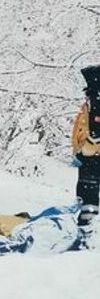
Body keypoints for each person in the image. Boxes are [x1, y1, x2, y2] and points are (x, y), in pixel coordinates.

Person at [72, 64, 100, 227]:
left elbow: (94, 132)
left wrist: (90, 145)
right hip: (86, 155)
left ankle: (88, 222)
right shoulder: (89, 105)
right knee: (85, 187)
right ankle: (86, 217)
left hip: (93, 156)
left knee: (88, 186)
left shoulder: (96, 105)